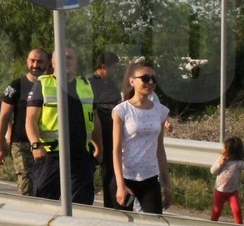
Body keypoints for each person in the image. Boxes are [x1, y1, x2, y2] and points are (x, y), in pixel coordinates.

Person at [25, 47, 102, 204]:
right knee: (44, 206)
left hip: (80, 156)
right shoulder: (43, 84)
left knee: (81, 207)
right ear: (52, 62)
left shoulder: (85, 85)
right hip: (51, 156)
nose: (65, 61)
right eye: (61, 57)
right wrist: (35, 144)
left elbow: (94, 118)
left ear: (76, 63)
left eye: (69, 58)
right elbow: (30, 119)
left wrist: (99, 146)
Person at [111, 60, 173, 214]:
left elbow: (160, 149)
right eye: (145, 78)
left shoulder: (161, 111)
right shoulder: (122, 110)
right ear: (132, 81)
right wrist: (120, 186)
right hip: (126, 178)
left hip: (150, 178)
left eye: (153, 78)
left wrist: (167, 184)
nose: (150, 82)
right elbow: (116, 150)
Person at [0, 49, 51, 196]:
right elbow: (4, 117)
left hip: (46, 143)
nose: (35, 65)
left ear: (48, 63)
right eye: (32, 60)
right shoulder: (16, 85)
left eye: (40, 61)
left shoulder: (51, 87)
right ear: (27, 61)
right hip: (21, 143)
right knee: (26, 181)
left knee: (44, 184)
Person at [88, 50, 122, 208]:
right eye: (114, 68)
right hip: (91, 138)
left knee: (110, 176)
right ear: (104, 67)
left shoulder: (114, 86)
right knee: (86, 176)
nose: (116, 71)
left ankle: (111, 208)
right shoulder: (88, 83)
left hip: (110, 138)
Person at [211, 136, 244, 224]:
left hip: (232, 192)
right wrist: (220, 164)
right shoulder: (221, 160)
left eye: (225, 148)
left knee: (237, 211)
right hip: (220, 191)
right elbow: (212, 171)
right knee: (216, 211)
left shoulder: (239, 163)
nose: (222, 150)